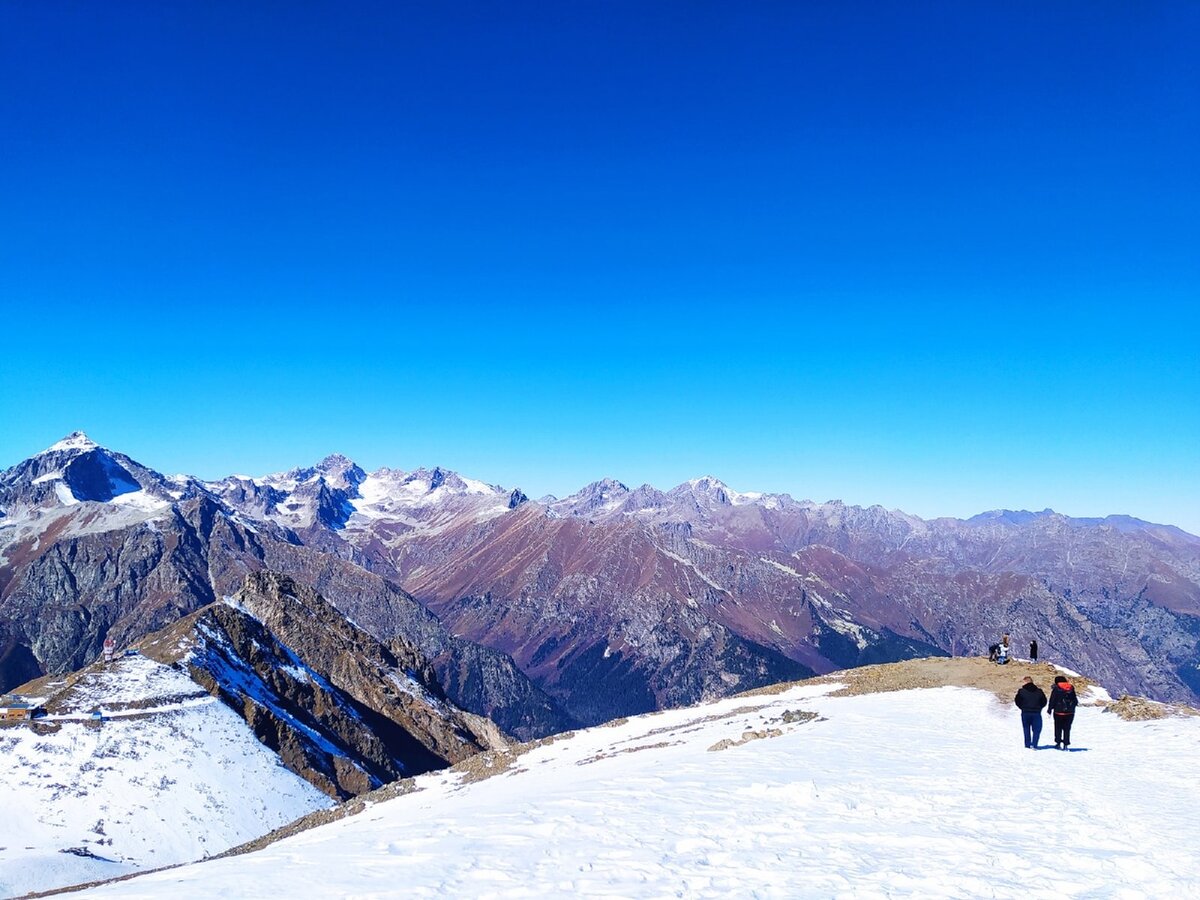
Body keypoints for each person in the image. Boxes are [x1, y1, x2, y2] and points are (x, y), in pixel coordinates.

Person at [1014, 676, 1047, 748]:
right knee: (1037, 729)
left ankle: (1027, 744)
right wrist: (1039, 707)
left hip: (1025, 712)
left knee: (1026, 728)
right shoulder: (1039, 691)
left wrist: (1022, 707)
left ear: (1025, 682)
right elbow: (1044, 701)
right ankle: (1035, 744)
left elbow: (1017, 701)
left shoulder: (1021, 691)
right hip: (1036, 712)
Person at [1047, 675, 1079, 749]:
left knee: (1058, 727)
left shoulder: (1056, 688)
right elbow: (1075, 700)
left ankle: (1058, 743)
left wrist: (1049, 710)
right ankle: (1066, 744)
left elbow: (1052, 700)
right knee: (1067, 728)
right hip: (1070, 712)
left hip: (1058, 712)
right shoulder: (1071, 688)